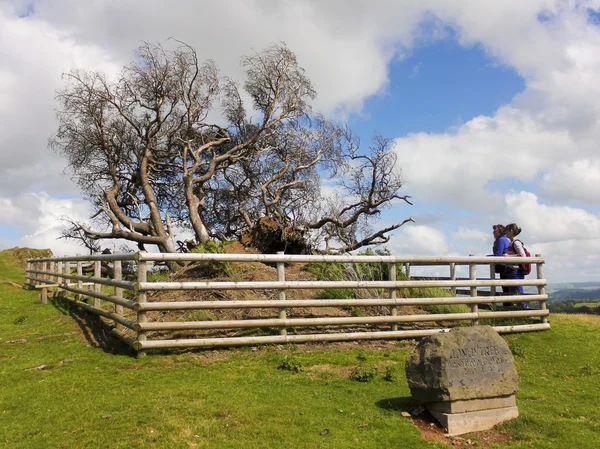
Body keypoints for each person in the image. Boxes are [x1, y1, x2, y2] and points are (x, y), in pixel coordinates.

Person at [503, 223, 528, 308]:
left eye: (506, 230)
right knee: (514, 293)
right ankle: (520, 312)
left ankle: (526, 312)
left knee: (518, 292)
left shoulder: (516, 243)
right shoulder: (512, 243)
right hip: (512, 270)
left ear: (510, 231)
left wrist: (508, 256)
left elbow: (522, 255)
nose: (505, 233)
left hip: (515, 271)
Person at [492, 224, 511, 295]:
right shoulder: (506, 239)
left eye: (495, 231)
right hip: (507, 267)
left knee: (506, 289)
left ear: (500, 231)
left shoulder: (501, 240)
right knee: (508, 289)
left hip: (503, 267)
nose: (493, 233)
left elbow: (498, 254)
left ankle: (507, 304)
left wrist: (487, 257)